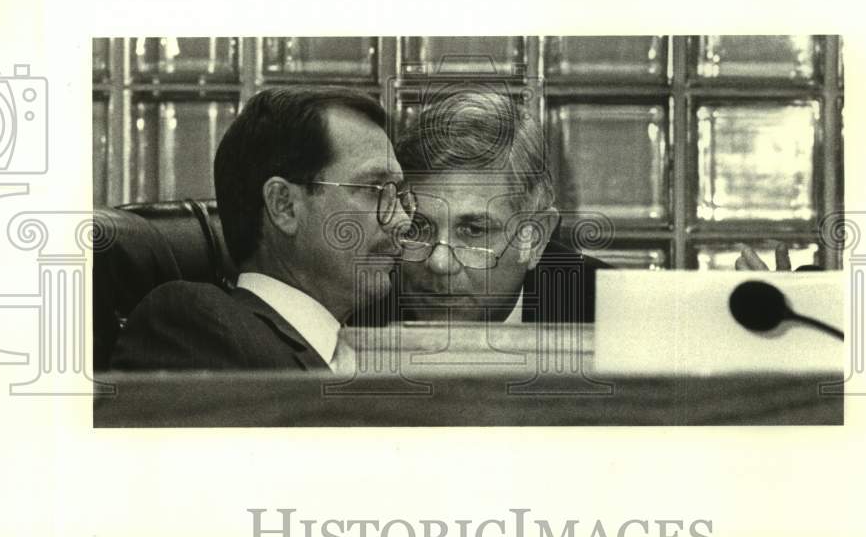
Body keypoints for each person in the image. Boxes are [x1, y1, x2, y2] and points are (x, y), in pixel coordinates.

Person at [110, 87, 415, 371]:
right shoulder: (195, 327)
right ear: (284, 206)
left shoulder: (382, 344)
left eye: (398, 195)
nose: (402, 219)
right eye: (375, 189)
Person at [359, 89, 607, 325]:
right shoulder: (359, 307)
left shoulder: (608, 314)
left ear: (535, 239)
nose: (439, 262)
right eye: (416, 228)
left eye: (473, 230)